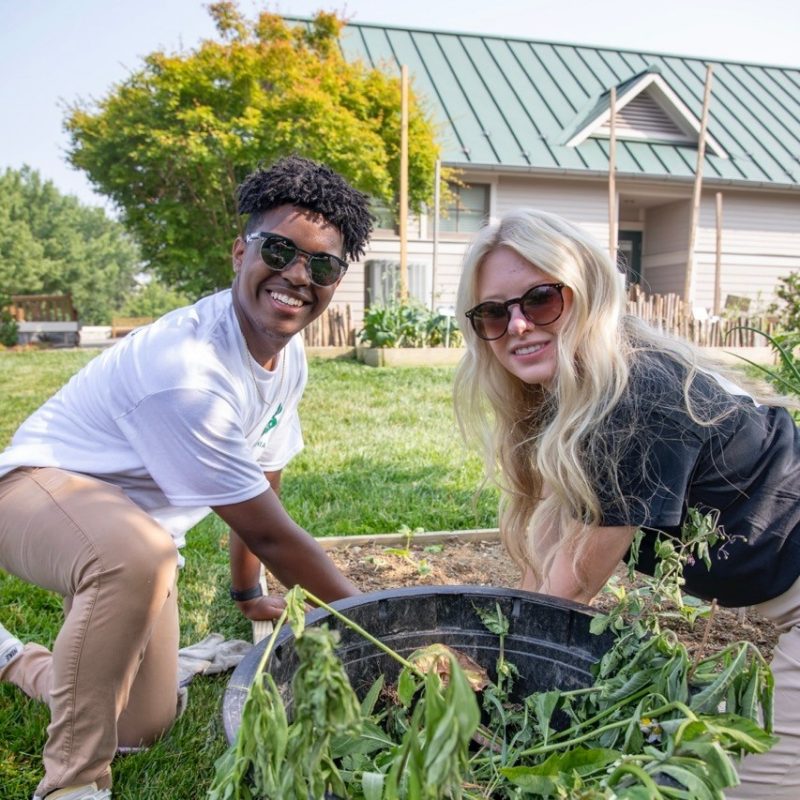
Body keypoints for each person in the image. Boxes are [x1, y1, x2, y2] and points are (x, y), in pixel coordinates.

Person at [0, 155, 371, 800]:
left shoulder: (287, 354)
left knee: (141, 727)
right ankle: (71, 784)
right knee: (137, 556)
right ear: (239, 251)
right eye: (279, 249)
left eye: (322, 264)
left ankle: (14, 659)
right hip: (34, 493)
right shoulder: (188, 373)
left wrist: (246, 594)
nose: (296, 275)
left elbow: (264, 481)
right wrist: (385, 625)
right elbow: (279, 536)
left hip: (133, 533)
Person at [453, 207, 800, 798]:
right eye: (493, 312)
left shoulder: (632, 400)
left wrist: (484, 690)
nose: (516, 326)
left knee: (755, 784)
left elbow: (569, 593)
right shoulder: (578, 389)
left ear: (587, 292)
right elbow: (549, 542)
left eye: (540, 300)